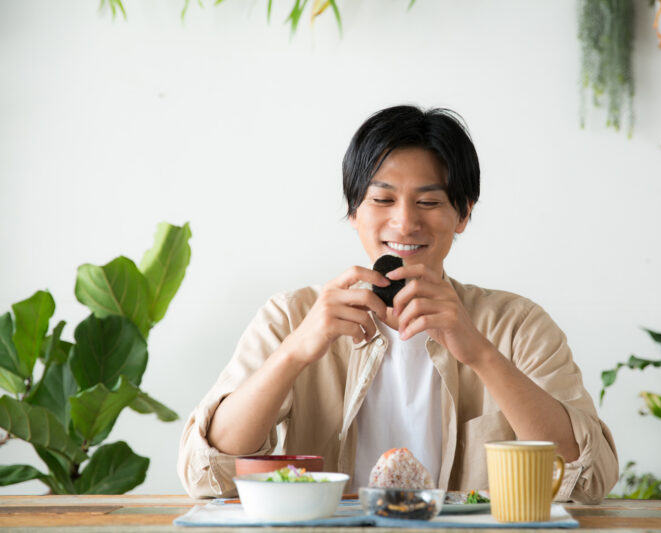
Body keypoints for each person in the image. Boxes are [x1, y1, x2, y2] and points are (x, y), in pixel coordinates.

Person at [178, 105, 618, 504]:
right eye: (382, 199)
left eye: (429, 201)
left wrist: (480, 353)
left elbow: (590, 477)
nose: (405, 221)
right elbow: (207, 473)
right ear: (353, 211)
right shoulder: (291, 316)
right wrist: (296, 351)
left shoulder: (518, 325)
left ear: (463, 214)